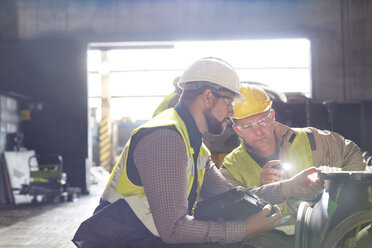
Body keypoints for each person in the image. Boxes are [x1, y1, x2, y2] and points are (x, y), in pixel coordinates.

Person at [72, 57, 321, 248]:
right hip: (123, 242)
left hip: (144, 239)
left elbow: (234, 196)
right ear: (208, 96)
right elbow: (173, 230)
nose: (232, 111)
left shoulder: (193, 145)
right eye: (229, 102)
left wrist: (289, 187)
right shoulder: (165, 139)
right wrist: (243, 229)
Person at [220, 84, 366, 246]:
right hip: (267, 240)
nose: (258, 131)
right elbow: (228, 212)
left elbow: (350, 151)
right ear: (237, 129)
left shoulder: (309, 140)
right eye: (248, 126)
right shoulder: (232, 167)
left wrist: (342, 203)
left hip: (319, 234)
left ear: (272, 116)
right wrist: (263, 190)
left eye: (262, 121)